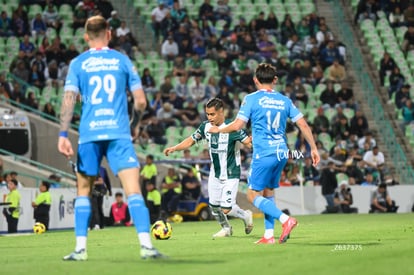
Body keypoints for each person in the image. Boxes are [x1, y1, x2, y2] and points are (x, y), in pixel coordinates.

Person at [57, 16, 164, 261]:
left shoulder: (78, 63)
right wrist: (134, 125)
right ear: (110, 33)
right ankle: (146, 246)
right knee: (133, 190)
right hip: (118, 133)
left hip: (89, 135)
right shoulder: (121, 60)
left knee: (83, 191)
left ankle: (80, 250)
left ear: (85, 36)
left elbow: (68, 101)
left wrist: (63, 134)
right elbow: (140, 101)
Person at [208, 63, 320, 244]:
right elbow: (303, 125)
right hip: (282, 152)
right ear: (275, 80)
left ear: (255, 79)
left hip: (264, 154)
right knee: (268, 192)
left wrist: (218, 131)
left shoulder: (251, 99)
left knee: (253, 195)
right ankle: (269, 236)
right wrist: (314, 148)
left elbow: (237, 125)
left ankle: (286, 220)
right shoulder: (285, 100)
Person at [164, 98, 254, 238]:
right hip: (215, 173)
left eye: (212, 114)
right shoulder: (205, 127)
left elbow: (248, 143)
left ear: (221, 112)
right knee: (213, 205)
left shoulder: (233, 127)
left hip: (231, 173)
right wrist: (174, 148)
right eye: (207, 114)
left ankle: (246, 215)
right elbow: (191, 140)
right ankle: (226, 229)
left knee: (226, 209)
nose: (209, 117)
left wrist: (253, 142)